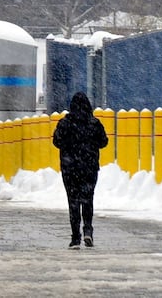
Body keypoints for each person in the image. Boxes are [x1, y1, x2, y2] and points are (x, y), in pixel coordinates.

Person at [51, 91, 109, 248]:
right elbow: (104, 142)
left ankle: (76, 237)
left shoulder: (65, 123)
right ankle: (88, 231)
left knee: (73, 201)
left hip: (70, 169)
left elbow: (56, 141)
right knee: (88, 199)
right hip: (89, 168)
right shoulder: (94, 123)